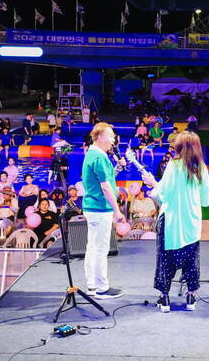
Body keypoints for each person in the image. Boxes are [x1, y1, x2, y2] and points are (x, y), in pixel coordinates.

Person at [140, 130, 209, 312]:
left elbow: (162, 194)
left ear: (179, 146)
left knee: (165, 260)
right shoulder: (201, 167)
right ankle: (191, 298)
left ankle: (164, 299)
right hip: (192, 224)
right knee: (191, 261)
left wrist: (152, 184)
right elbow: (204, 200)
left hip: (171, 221)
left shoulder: (173, 165)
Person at [81, 122, 126, 299]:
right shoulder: (99, 157)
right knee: (100, 248)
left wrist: (118, 168)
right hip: (100, 208)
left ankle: (92, 285)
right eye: (110, 136)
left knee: (92, 247)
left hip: (93, 207)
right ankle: (101, 288)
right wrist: (117, 211)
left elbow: (106, 178)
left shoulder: (93, 154)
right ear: (100, 137)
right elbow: (106, 187)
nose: (113, 140)